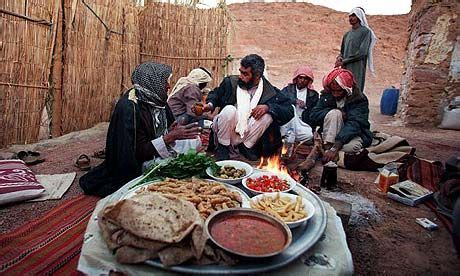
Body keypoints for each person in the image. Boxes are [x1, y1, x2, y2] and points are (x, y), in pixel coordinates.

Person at [79, 62, 201, 197]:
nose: (168, 86)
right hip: (137, 162)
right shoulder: (129, 108)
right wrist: (168, 137)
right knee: (174, 170)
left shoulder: (158, 100)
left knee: (195, 142)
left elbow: (158, 133)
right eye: (165, 82)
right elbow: (133, 152)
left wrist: (170, 131)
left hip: (156, 150)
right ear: (151, 82)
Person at [198, 54, 294, 161]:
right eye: (240, 72)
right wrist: (210, 105)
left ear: (257, 76)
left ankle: (246, 146)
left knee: (268, 115)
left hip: (248, 133)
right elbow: (216, 94)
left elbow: (289, 110)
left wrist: (268, 107)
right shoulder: (231, 82)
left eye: (245, 74)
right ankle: (223, 148)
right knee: (230, 110)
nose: (241, 76)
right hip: (227, 131)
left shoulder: (270, 92)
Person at [309, 68, 373, 164]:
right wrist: (332, 112)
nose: (335, 94)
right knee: (335, 113)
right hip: (330, 133)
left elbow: (355, 124)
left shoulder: (359, 99)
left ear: (346, 89)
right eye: (333, 91)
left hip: (351, 134)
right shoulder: (327, 96)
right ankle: (328, 149)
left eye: (339, 91)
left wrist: (336, 147)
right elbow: (314, 115)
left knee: (351, 148)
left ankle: (329, 152)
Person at [335, 7, 377, 94]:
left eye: (354, 15)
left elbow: (363, 52)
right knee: (344, 89)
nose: (351, 18)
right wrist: (339, 58)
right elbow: (342, 51)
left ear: (359, 16)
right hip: (345, 67)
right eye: (350, 16)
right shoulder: (347, 34)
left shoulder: (365, 32)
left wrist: (345, 61)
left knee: (355, 90)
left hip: (357, 67)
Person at [280, 65, 319, 142]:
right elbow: (280, 100)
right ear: (296, 78)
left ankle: (292, 138)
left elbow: (315, 113)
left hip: (302, 123)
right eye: (300, 78)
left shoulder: (313, 95)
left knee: (309, 135)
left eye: (305, 78)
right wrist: (295, 101)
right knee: (291, 108)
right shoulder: (287, 90)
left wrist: (306, 106)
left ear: (309, 80)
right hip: (288, 122)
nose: (302, 80)